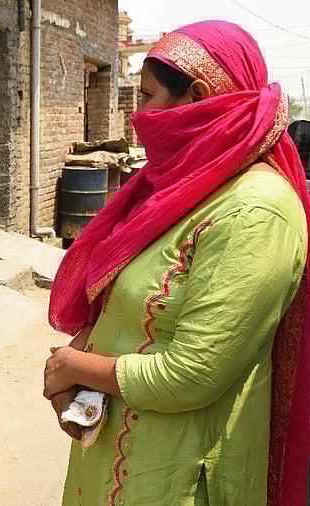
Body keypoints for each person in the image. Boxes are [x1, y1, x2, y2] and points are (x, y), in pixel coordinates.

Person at [42, 21, 310, 505]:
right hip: (112, 454)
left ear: (199, 96)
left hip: (177, 475)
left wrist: (72, 365)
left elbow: (192, 374)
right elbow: (117, 294)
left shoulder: (254, 211)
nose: (137, 116)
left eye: (145, 96)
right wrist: (78, 371)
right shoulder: (180, 186)